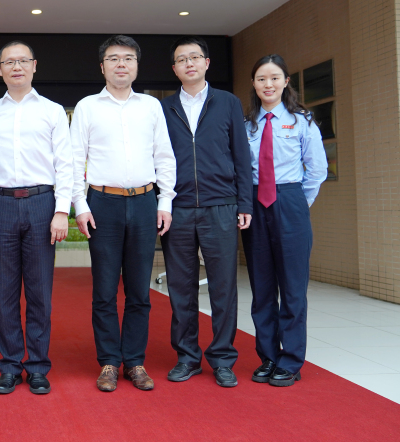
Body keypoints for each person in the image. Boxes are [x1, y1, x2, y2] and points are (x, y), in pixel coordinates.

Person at [71, 35, 176, 393]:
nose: (121, 64)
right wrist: (81, 205)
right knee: (104, 289)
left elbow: (164, 156)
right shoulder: (87, 107)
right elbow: (74, 159)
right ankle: (108, 362)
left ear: (136, 66)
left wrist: (165, 202)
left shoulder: (150, 106)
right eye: (113, 58)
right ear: (102, 66)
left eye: (128, 58)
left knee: (139, 290)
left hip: (145, 201)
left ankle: (134, 361)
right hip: (103, 203)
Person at [0, 41, 72, 395]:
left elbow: (65, 164)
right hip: (0, 204)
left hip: (42, 203)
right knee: (5, 291)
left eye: (23, 61)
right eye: (9, 62)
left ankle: (38, 365)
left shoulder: (53, 111)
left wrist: (61, 210)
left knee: (40, 290)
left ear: (34, 66)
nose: (17, 67)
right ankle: (11, 365)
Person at [159, 36, 253, 388]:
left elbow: (241, 155)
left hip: (221, 205)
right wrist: (160, 203)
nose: (189, 63)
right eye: (182, 59)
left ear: (207, 63)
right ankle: (187, 357)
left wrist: (244, 202)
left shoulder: (227, 102)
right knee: (180, 287)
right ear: (175, 69)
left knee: (223, 287)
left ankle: (223, 358)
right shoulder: (164, 108)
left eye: (195, 57)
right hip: (179, 208)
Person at [242, 54, 327, 387]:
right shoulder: (247, 124)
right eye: (261, 78)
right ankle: (268, 357)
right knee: (262, 288)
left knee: (292, 288)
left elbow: (316, 168)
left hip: (290, 200)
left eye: (275, 78)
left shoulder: (302, 121)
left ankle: (290, 360)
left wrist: (299, 204)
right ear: (254, 84)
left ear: (286, 81)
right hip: (254, 204)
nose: (268, 84)